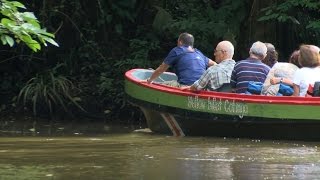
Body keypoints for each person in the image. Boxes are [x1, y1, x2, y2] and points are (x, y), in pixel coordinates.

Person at [144, 32, 216, 87]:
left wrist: (150, 80)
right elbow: (214, 64)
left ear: (180, 42)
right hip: (201, 87)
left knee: (158, 84)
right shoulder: (198, 53)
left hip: (185, 86)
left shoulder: (177, 50)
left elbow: (162, 68)